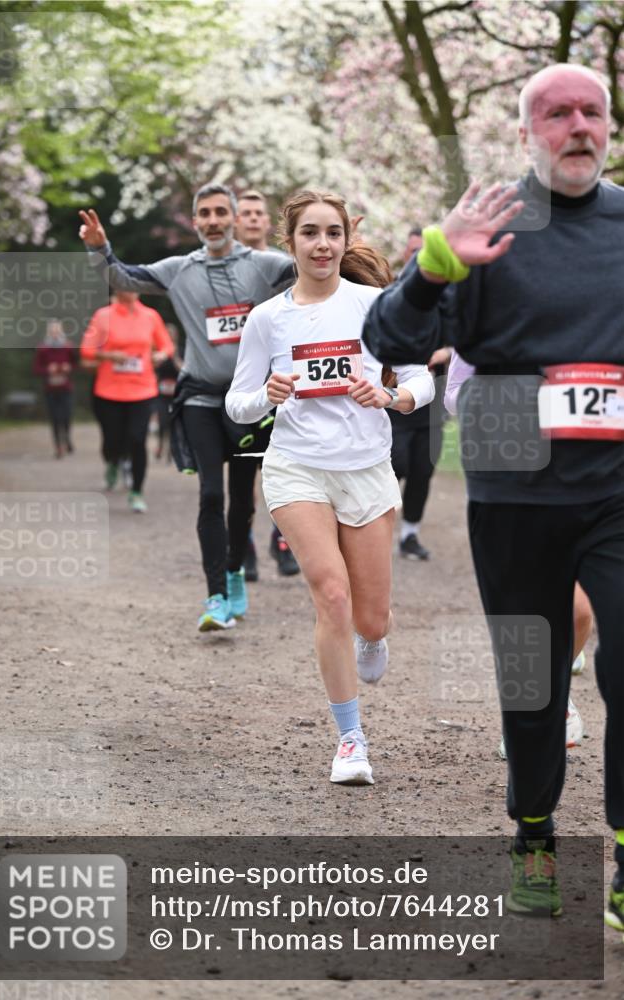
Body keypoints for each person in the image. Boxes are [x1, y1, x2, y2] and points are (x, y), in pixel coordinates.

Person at [364, 64, 624, 928]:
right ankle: (535, 833)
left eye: (592, 110)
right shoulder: (483, 228)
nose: (577, 126)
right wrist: (434, 269)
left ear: (609, 123)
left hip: (617, 486)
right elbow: (387, 340)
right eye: (557, 114)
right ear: (526, 132)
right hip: (514, 487)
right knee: (532, 678)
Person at [226, 190, 434, 785]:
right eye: (310, 233)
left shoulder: (377, 305)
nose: (323, 244)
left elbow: (422, 381)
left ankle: (373, 639)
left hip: (366, 468)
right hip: (297, 467)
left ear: (346, 240)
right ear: (289, 243)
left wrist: (389, 396)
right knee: (331, 595)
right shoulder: (267, 318)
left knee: (371, 617)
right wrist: (265, 394)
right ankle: (350, 740)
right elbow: (236, 404)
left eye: (333, 233)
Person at [79, 184, 294, 630]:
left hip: (250, 401)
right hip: (199, 397)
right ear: (194, 222)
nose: (213, 220)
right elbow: (121, 278)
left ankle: (235, 571)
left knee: (241, 502)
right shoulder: (179, 270)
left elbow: (316, 267)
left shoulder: (263, 266)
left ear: (234, 219)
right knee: (211, 494)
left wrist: (340, 239)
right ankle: (216, 595)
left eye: (221, 212)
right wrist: (100, 249)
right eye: (204, 213)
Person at [444, 350, 594, 754]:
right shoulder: (494, 307)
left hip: (587, 480)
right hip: (515, 483)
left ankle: (552, 692)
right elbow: (454, 393)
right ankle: (529, 718)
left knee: (580, 611)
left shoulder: (596, 307)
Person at [234, 189, 301, 580]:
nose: (254, 219)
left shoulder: (285, 265)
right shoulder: (223, 269)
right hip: (243, 382)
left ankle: (283, 540)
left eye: (260, 213)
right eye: (247, 213)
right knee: (243, 477)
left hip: (287, 382)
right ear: (236, 222)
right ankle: (245, 548)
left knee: (287, 465)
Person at [80, 290, 174, 512]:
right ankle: (112, 461)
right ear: (116, 289)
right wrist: (109, 356)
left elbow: (167, 345)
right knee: (112, 439)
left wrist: (160, 355)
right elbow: (86, 350)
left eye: (133, 285)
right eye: (123, 285)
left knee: (137, 439)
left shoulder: (150, 316)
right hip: (108, 390)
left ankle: (137, 491)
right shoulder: (103, 315)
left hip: (142, 389)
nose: (129, 290)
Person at [390, 228, 451, 560]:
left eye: (424, 253)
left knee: (423, 470)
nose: (418, 258)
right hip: (394, 400)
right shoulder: (388, 292)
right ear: (405, 254)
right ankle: (371, 524)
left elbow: (465, 340)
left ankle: (410, 534)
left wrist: (444, 354)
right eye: (414, 251)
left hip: (431, 400)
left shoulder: (447, 296)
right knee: (396, 462)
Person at [33, 320, 77, 458]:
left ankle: (67, 438)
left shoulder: (68, 347)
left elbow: (76, 364)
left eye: (57, 330)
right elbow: (36, 369)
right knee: (54, 418)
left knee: (66, 416)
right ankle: (58, 446)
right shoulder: (43, 348)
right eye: (52, 331)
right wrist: (47, 369)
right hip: (50, 389)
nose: (55, 333)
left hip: (66, 388)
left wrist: (68, 367)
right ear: (48, 332)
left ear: (61, 331)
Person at [155, 324, 183, 462]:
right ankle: (160, 444)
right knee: (162, 421)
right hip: (161, 394)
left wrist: (175, 355)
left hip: (176, 394)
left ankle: (171, 450)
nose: (170, 336)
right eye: (168, 334)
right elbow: (154, 369)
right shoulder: (160, 351)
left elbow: (183, 370)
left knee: (173, 423)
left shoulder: (181, 351)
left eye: (172, 334)